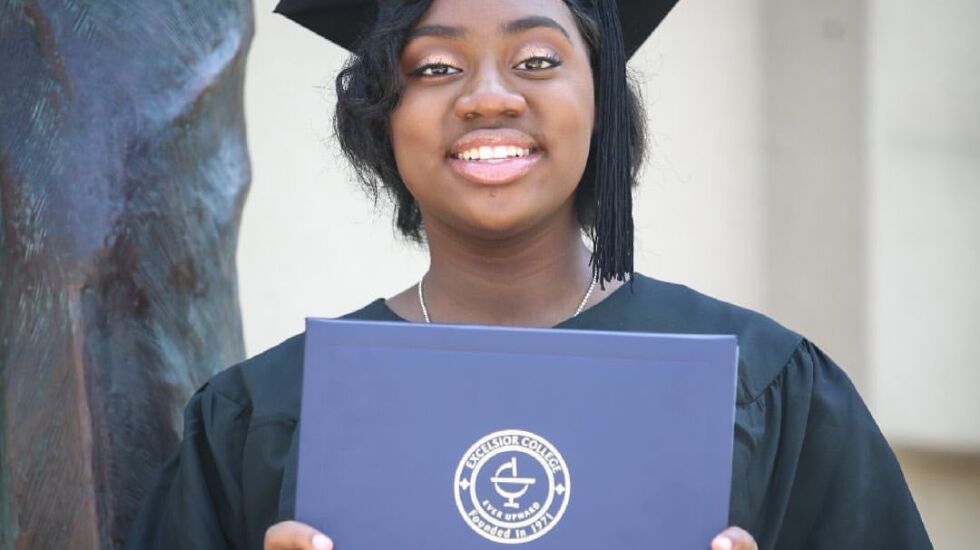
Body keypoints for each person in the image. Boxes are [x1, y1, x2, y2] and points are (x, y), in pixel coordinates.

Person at [126, 0, 932, 549]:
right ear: (383, 115)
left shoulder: (769, 389)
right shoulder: (260, 416)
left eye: (538, 59)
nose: (488, 98)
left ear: (600, 102)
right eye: (435, 67)